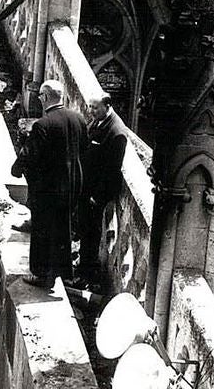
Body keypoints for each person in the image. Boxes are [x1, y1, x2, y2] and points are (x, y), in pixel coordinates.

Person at [18, 80, 85, 288]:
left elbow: (31, 155)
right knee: (64, 228)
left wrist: (17, 167)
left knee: (41, 229)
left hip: (48, 188)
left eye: (40, 96)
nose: (39, 99)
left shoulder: (43, 125)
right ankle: (64, 273)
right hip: (72, 185)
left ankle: (40, 274)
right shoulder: (78, 119)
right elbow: (83, 148)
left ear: (45, 97)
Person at [78, 91, 131, 287]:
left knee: (91, 234)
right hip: (87, 188)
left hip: (96, 194)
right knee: (84, 229)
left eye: (95, 108)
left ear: (107, 107)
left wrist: (97, 197)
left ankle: (86, 276)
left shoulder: (117, 133)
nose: (91, 111)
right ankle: (83, 266)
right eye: (90, 107)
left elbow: (111, 170)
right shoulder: (99, 121)